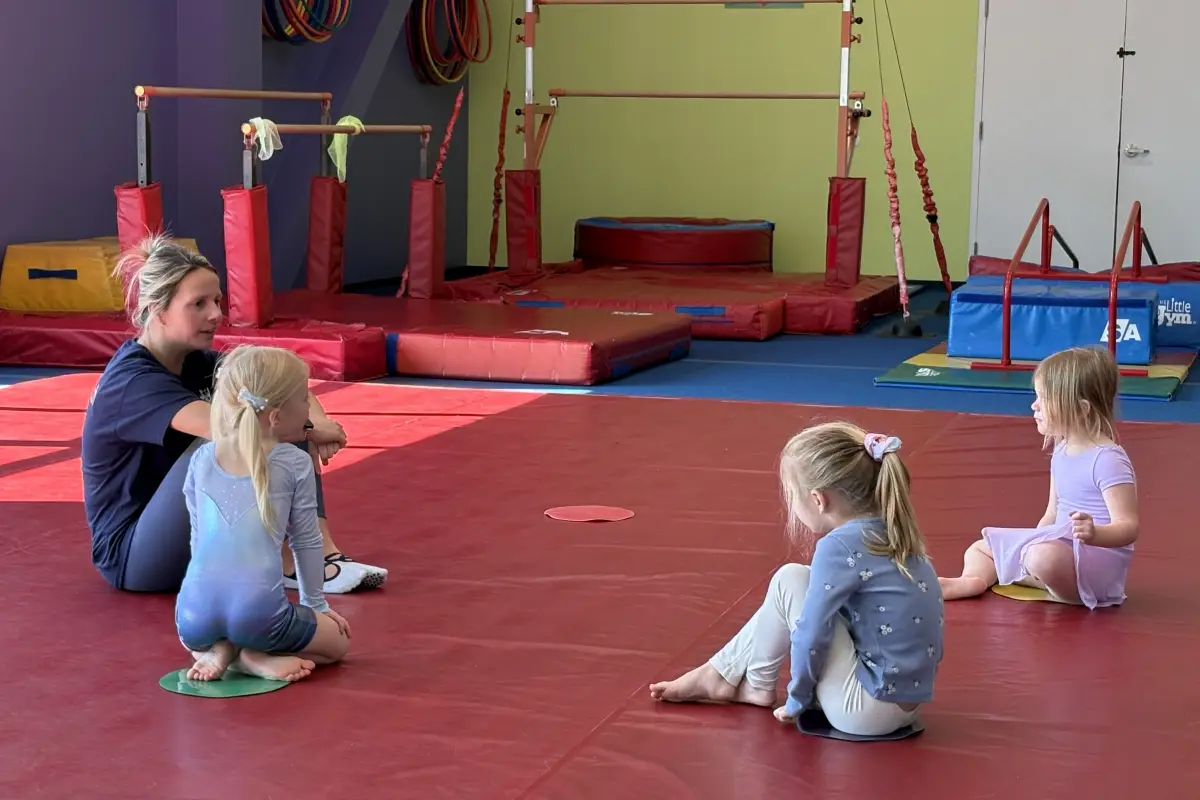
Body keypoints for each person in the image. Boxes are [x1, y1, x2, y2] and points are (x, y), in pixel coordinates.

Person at [81, 233, 387, 594]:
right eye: (198, 304)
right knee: (252, 427)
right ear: (157, 310)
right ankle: (302, 558)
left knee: (274, 406)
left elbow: (285, 383)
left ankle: (319, 553)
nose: (215, 314)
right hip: (135, 559)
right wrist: (306, 427)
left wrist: (315, 422)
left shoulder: (193, 360)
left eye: (216, 300)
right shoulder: (133, 382)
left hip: (193, 540)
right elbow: (232, 430)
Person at [649, 421, 943, 738]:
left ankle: (751, 682)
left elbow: (811, 634)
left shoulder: (838, 545)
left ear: (818, 499)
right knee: (800, 584)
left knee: (790, 578)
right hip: (904, 705)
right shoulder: (894, 531)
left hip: (863, 710)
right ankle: (721, 673)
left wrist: (797, 697)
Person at [177, 345, 351, 682]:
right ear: (276, 417)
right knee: (338, 644)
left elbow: (197, 541)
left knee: (208, 637)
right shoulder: (294, 462)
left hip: (191, 621)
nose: (308, 410)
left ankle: (224, 651)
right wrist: (317, 606)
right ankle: (254, 657)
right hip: (260, 618)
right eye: (304, 400)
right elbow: (306, 542)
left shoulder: (202, 459)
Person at [939, 346, 1139, 608]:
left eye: (1043, 398)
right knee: (983, 546)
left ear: (1080, 409)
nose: (1034, 405)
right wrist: (1026, 544)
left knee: (1043, 558)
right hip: (1060, 548)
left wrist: (1095, 534)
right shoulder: (1061, 448)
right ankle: (972, 579)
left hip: (1094, 562)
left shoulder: (1108, 459)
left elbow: (1129, 526)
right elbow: (1052, 512)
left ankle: (1060, 587)